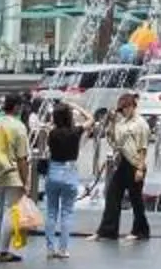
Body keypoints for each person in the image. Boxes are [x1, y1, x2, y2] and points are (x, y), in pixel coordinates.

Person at [97, 90, 153, 241]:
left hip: (134, 163)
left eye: (127, 108)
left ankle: (141, 230)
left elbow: (143, 147)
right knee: (112, 195)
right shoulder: (121, 122)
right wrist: (111, 122)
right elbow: (115, 141)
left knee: (136, 199)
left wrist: (140, 168)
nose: (124, 111)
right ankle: (108, 230)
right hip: (122, 162)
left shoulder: (141, 124)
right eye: (122, 109)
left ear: (133, 106)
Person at [0, 97, 34, 263]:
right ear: (17, 107)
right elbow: (22, 158)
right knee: (11, 210)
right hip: (13, 173)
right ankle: (4, 251)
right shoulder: (18, 127)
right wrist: (26, 180)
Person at [40, 101, 85, 260]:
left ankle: (50, 248)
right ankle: (63, 249)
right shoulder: (75, 132)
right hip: (70, 173)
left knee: (51, 212)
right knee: (67, 213)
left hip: (53, 171)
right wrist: (77, 106)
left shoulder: (52, 133)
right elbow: (91, 119)